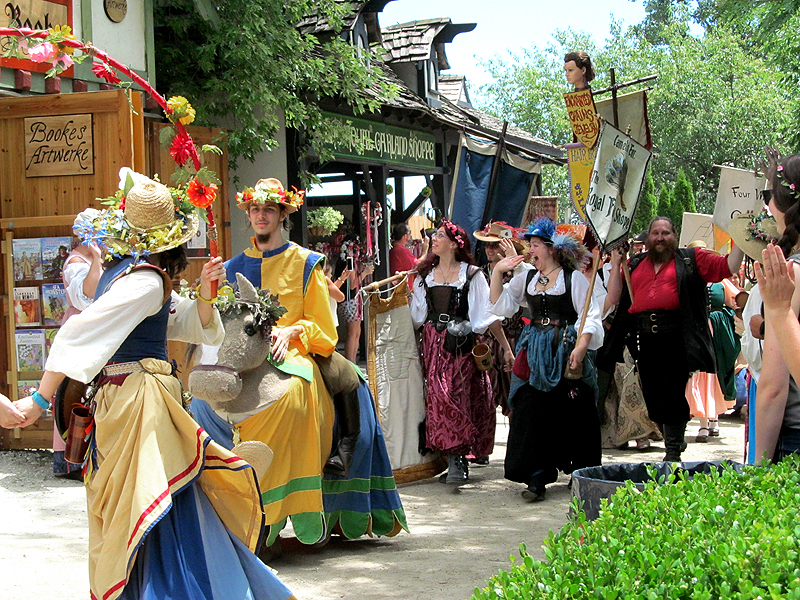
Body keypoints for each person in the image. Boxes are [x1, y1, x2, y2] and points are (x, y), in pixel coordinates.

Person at [7, 173, 293, 600]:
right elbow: (77, 335)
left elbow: (187, 323)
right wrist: (36, 400)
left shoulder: (135, 276)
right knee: (155, 502)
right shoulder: (144, 280)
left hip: (135, 404)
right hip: (137, 402)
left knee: (152, 501)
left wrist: (207, 294)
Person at [191, 177, 405, 551]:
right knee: (198, 403)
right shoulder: (230, 266)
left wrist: (291, 332)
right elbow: (210, 323)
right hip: (240, 356)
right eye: (255, 210)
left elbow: (325, 328)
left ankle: (338, 453)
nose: (261, 215)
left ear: (282, 214)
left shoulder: (307, 263)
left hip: (297, 350)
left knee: (319, 387)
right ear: (248, 215)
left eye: (268, 210)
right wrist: (206, 288)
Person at [603, 216, 744, 461]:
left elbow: (728, 266)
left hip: (677, 338)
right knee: (654, 398)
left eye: (665, 233)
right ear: (647, 238)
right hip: (645, 340)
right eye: (655, 233)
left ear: (674, 235)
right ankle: (674, 440)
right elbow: (615, 298)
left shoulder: (691, 258)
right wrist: (616, 264)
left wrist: (742, 239)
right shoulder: (634, 264)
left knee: (673, 393)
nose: (659, 238)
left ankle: (672, 450)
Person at [490, 218, 603, 502]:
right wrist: (497, 272)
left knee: (571, 409)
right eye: (531, 244)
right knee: (530, 410)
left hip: (563, 349)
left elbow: (589, 314)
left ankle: (580, 470)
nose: (531, 250)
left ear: (552, 249)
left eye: (536, 244)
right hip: (534, 350)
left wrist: (580, 347)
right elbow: (501, 306)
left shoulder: (572, 278)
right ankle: (536, 475)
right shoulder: (527, 278)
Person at [410, 220, 512, 484]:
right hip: (433, 345)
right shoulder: (424, 276)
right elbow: (416, 318)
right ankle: (450, 456)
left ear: (454, 244)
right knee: (438, 398)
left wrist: (506, 348)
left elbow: (486, 316)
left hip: (462, 345)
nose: (434, 238)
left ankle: (459, 459)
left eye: (440, 235)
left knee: (458, 397)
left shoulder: (473, 274)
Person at [753, 150, 800, 462]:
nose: (767, 204)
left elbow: (773, 386)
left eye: (770, 194)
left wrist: (758, 470)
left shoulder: (792, 274)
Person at [51, 213, 104, 478]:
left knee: (94, 391)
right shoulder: (77, 261)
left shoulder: (96, 256)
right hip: (82, 328)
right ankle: (73, 457)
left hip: (97, 327)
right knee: (74, 392)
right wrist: (96, 258)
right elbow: (87, 297)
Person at [473, 221, 531, 416]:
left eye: (494, 244)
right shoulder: (479, 273)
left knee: (514, 399)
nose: (490, 249)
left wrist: (507, 348)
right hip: (487, 343)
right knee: (484, 400)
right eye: (487, 245)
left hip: (512, 339)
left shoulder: (518, 274)